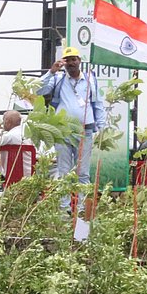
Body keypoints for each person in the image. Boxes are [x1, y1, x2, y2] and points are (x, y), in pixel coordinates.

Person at [37, 47, 105, 213]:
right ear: (64, 63)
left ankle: (81, 211)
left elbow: (98, 104)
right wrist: (51, 72)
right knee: (64, 172)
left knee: (83, 173)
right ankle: (64, 211)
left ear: (79, 61)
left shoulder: (90, 79)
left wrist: (102, 128)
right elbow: (39, 90)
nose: (71, 63)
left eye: (74, 59)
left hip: (85, 130)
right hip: (63, 131)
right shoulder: (58, 78)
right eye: (67, 60)